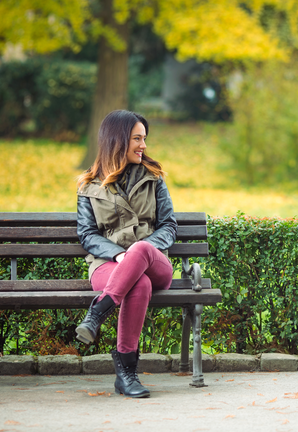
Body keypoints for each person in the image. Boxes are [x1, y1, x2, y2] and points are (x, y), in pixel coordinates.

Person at [74, 110, 177, 398]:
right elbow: (87, 235)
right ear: (117, 141)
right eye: (137, 139)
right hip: (108, 266)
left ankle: (98, 311)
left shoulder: (154, 178)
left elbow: (169, 225)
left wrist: (138, 251)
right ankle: (127, 375)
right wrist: (119, 255)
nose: (143, 145)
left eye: (144, 138)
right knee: (138, 283)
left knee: (141, 249)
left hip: (155, 262)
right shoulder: (89, 186)